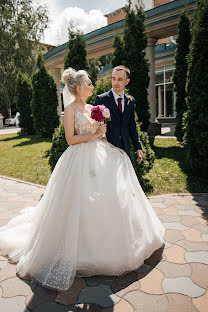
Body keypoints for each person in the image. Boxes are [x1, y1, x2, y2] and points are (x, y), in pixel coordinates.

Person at [0, 68, 165, 291]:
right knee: (79, 201)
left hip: (98, 153)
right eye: (88, 83)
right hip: (77, 159)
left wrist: (114, 148)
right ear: (78, 88)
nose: (92, 86)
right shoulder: (70, 110)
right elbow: (70, 139)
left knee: (104, 198)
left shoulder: (92, 108)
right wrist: (94, 135)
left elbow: (100, 135)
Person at [94, 65, 143, 163]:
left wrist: (138, 147)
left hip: (125, 149)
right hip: (107, 149)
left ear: (127, 82)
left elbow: (132, 125)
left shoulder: (130, 100)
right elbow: (94, 126)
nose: (116, 82)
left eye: (120, 79)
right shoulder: (101, 99)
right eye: (113, 79)